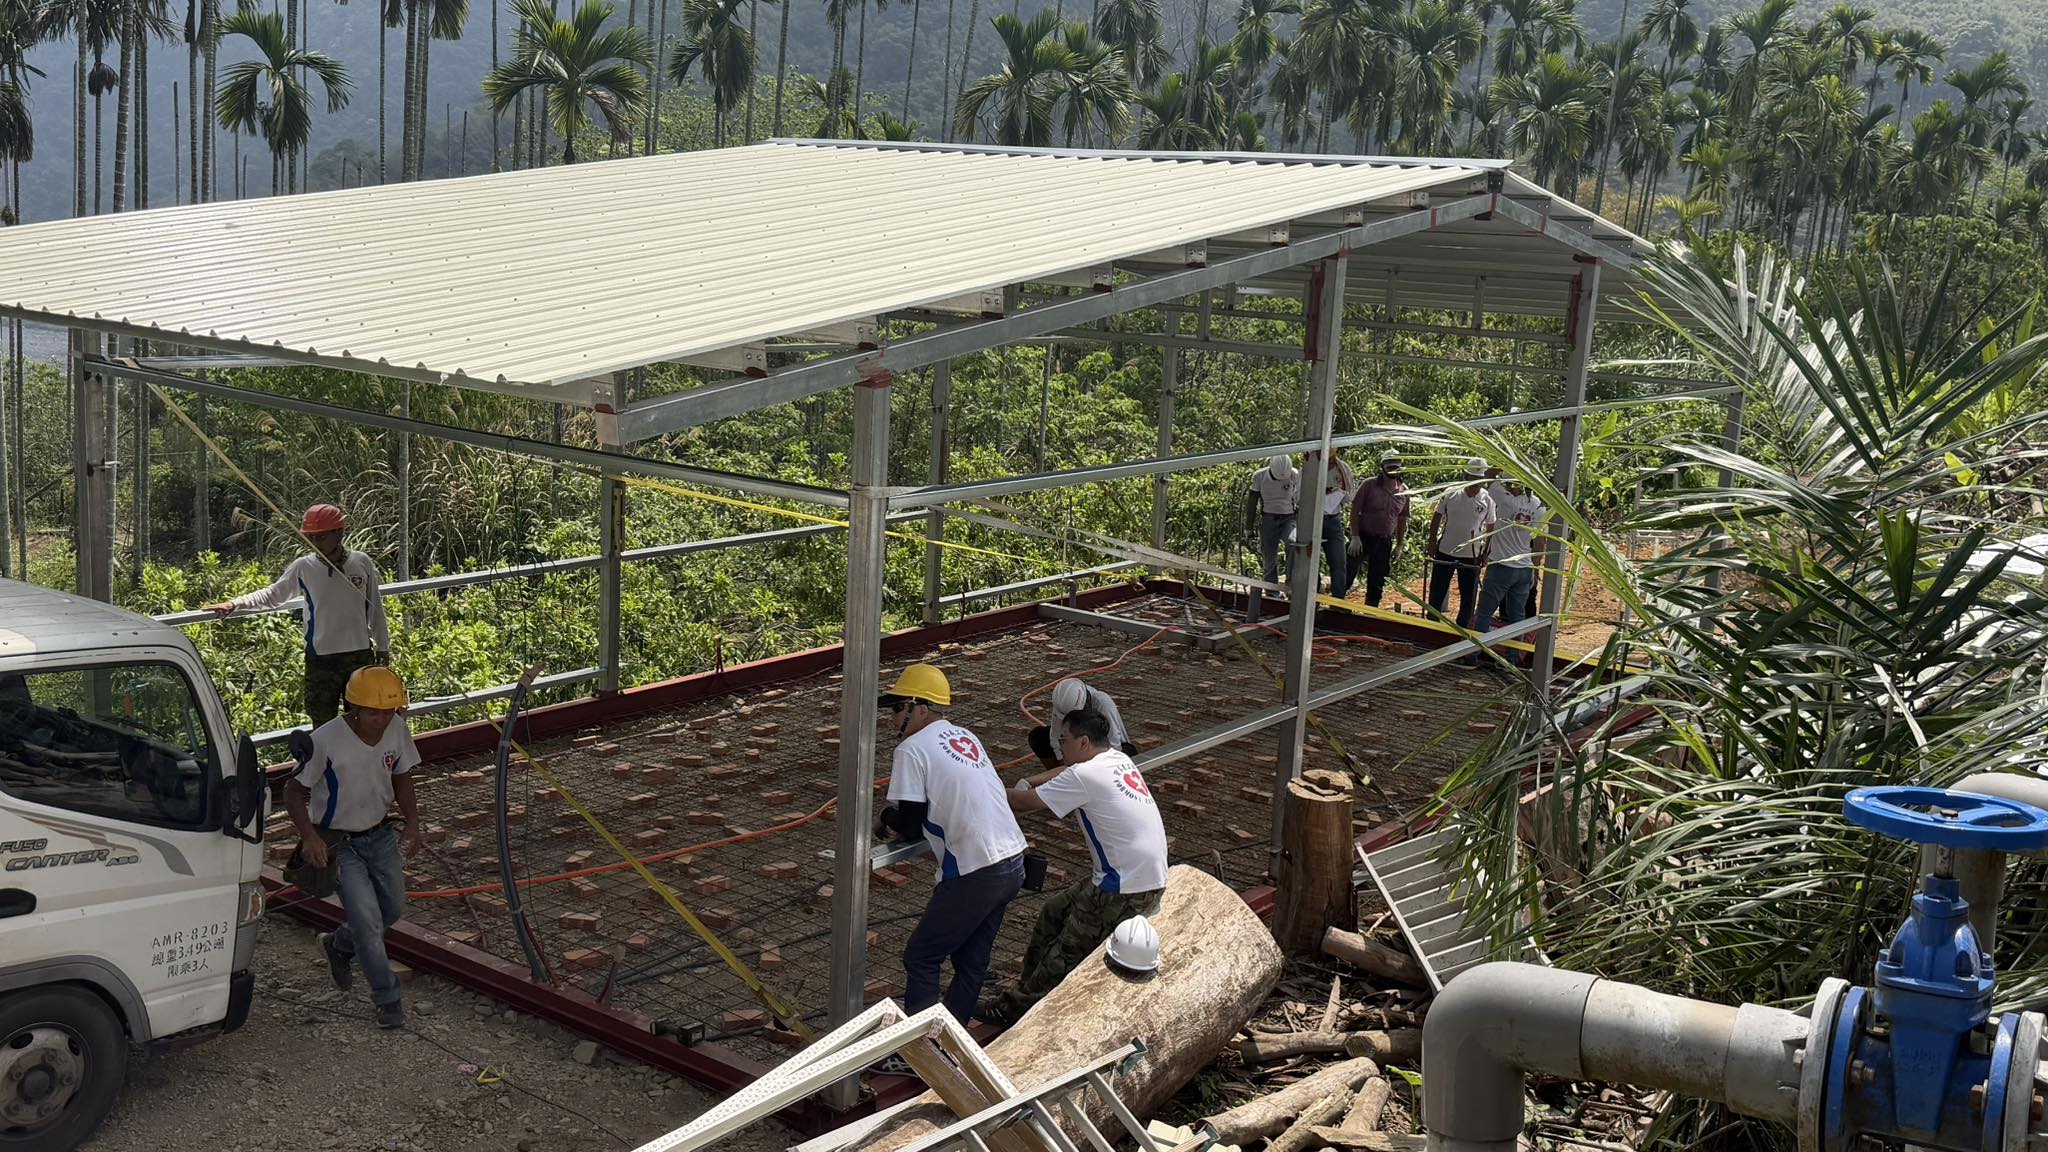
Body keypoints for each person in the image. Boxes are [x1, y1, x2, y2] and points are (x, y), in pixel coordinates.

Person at [981, 708, 1168, 1024]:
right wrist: (1030, 778)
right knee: (1054, 911)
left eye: (1063, 740)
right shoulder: (1116, 759)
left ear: (1082, 742)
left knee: (1065, 951)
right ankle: (1026, 987)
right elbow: (1063, 774)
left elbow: (1025, 802)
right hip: (1140, 878)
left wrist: (984, 788)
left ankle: (1016, 1010)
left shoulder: (1086, 775)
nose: (1058, 748)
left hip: (1120, 889)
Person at [873, 663, 1028, 1024]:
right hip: (1013, 858)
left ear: (920, 709)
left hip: (976, 868)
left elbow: (910, 823)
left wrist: (885, 819)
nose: (892, 718)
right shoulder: (965, 736)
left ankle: (923, 1054)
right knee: (972, 959)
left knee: (921, 956)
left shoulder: (911, 749)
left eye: (898, 708)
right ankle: (951, 1041)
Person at [287, 665, 421, 1029]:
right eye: (374, 712)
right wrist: (310, 837)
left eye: (388, 711)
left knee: (391, 909)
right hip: (340, 842)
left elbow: (402, 776)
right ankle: (387, 999)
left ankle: (338, 944)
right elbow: (293, 790)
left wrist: (412, 821)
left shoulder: (396, 729)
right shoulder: (326, 740)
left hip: (379, 834)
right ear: (355, 708)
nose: (381, 720)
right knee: (367, 922)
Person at [208, 504, 389, 726]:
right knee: (322, 724)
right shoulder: (304, 567)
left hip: (359, 656)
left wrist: (383, 648)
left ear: (339, 533)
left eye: (321, 537)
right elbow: (273, 595)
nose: (315, 543)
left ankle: (359, 761)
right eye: (311, 538)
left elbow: (375, 608)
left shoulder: (361, 562)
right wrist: (235, 604)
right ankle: (325, 762)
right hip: (321, 659)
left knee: (363, 720)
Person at [1474, 476, 1546, 665]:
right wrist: (1535, 568)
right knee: (1517, 617)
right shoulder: (1539, 507)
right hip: (1524, 567)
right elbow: (1539, 541)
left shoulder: (1504, 499)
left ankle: (1474, 654)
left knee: (1484, 613)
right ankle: (1513, 658)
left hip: (1502, 565)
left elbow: (1488, 476)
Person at [1427, 459, 1496, 630]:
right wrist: (1432, 541)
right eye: (1472, 480)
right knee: (1437, 591)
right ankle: (1431, 625)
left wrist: (1486, 552)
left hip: (1471, 554)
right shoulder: (1451, 493)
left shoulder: (1487, 500)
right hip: (1446, 550)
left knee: (1468, 596)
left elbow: (1491, 526)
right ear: (1466, 477)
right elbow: (1437, 517)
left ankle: (1462, 628)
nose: (1475, 486)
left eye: (1479, 481)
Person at [1350, 452, 1411, 609]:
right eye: (1389, 467)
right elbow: (1355, 509)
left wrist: (1399, 544)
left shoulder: (1404, 492)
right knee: (1348, 571)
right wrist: (1355, 536)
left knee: (1378, 579)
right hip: (1363, 537)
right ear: (1382, 468)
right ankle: (1338, 608)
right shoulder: (1369, 485)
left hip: (1384, 540)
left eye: (1396, 467)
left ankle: (1371, 610)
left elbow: (1402, 519)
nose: (1392, 471)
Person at [1244, 454, 1299, 624]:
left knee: (1293, 542)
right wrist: (1249, 529)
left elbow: (1301, 498)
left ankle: (1291, 585)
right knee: (1269, 557)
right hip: (1269, 519)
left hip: (1289, 518)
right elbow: (1252, 502)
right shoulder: (1260, 476)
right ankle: (1272, 592)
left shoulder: (1295, 474)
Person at [1045, 678, 1134, 758]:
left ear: (1086, 703)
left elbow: (1114, 743)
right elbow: (1055, 738)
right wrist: (1063, 762)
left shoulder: (1102, 703)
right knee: (1038, 737)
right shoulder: (1062, 705)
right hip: (1079, 746)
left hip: (1103, 749)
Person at [1320, 452, 1357, 599]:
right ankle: (1312, 597)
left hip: (1333, 520)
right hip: (1310, 520)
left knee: (1339, 562)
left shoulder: (1342, 469)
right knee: (1309, 562)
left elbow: (1349, 497)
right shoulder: (1309, 469)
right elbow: (1297, 497)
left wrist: (1337, 492)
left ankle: (1338, 601)